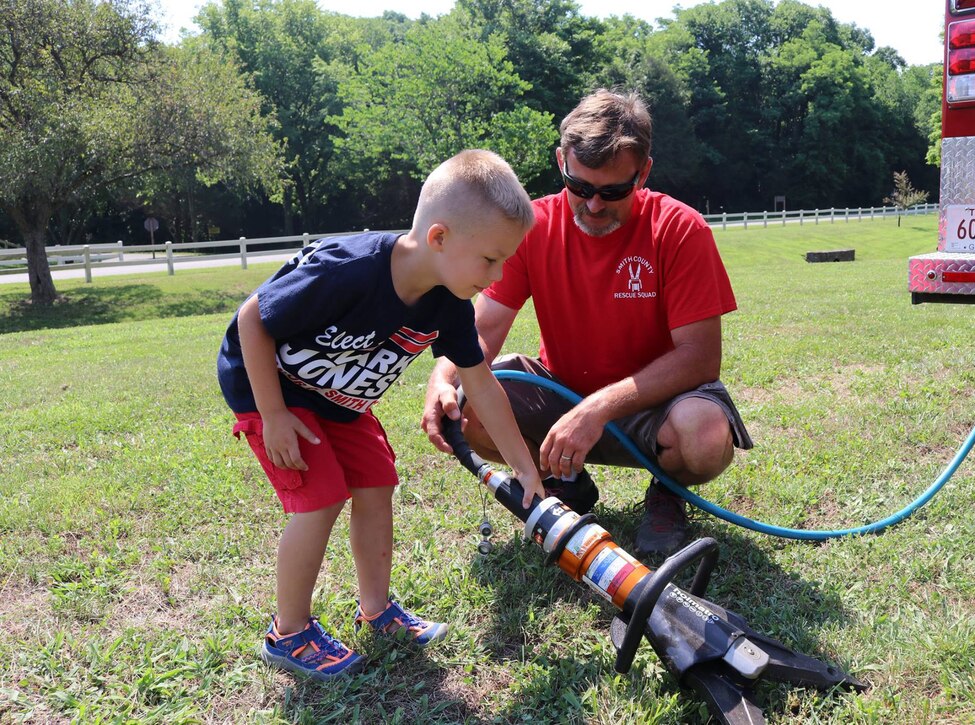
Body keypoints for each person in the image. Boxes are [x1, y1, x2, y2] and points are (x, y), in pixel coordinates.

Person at [217, 149, 545, 681]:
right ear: (439, 237)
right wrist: (273, 415)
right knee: (320, 498)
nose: (499, 273)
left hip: (339, 401)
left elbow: (480, 382)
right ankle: (289, 632)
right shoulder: (348, 270)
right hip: (271, 390)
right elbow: (253, 318)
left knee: (376, 482)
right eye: (490, 259)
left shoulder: (448, 302)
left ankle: (377, 611)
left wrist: (524, 467)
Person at [422, 89, 752, 557]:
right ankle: (564, 486)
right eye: (579, 187)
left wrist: (596, 410)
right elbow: (484, 330)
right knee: (471, 407)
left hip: (657, 407)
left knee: (704, 435)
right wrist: (443, 377)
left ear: (644, 173)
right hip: (561, 394)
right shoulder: (532, 226)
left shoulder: (680, 229)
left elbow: (700, 358)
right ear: (562, 161)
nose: (594, 206)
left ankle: (667, 490)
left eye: (614, 191)